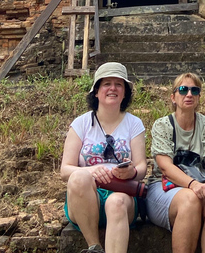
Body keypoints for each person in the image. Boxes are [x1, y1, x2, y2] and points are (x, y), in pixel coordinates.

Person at [61, 62, 148, 253]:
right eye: (107, 83)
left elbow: (142, 167)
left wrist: (131, 172)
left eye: (119, 84)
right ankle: (95, 247)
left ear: (125, 93)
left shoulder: (134, 123)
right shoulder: (81, 124)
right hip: (85, 198)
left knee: (116, 203)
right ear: (97, 91)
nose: (113, 89)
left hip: (122, 195)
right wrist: (91, 170)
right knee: (78, 177)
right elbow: (65, 169)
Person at [146, 73, 205, 253]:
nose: (189, 94)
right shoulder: (163, 125)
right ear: (173, 97)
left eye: (194, 90)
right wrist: (192, 185)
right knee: (189, 198)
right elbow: (165, 166)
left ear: (199, 96)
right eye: (183, 89)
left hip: (200, 183)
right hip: (163, 187)